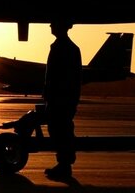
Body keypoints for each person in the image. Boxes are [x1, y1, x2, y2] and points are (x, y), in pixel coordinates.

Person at [42, 19, 82, 179]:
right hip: (61, 97)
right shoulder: (67, 47)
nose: (50, 26)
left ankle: (65, 166)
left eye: (53, 24)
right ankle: (63, 165)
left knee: (61, 130)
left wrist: (54, 94)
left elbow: (68, 76)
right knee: (58, 129)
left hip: (61, 98)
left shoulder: (65, 48)